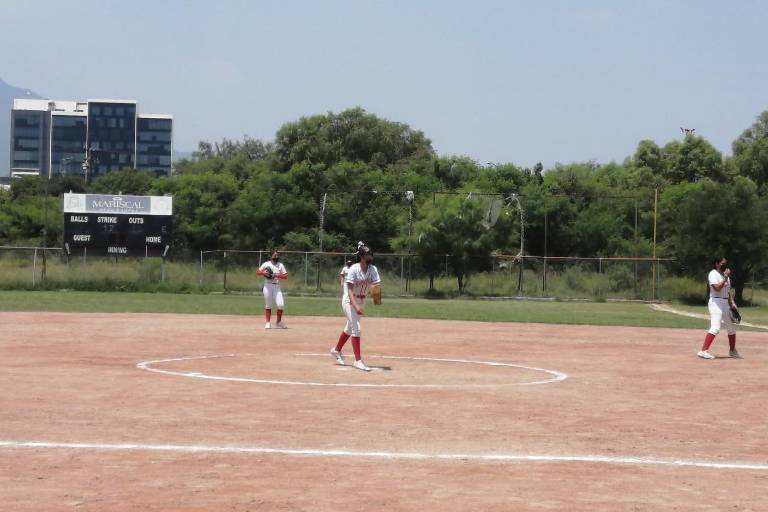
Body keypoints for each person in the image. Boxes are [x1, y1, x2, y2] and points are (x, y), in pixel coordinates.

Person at [330, 242, 381, 371]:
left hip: (362, 300)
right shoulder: (353, 269)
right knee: (356, 328)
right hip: (349, 300)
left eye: (371, 255)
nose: (371, 257)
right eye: (368, 255)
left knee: (349, 328)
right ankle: (358, 361)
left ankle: (336, 350)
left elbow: (376, 285)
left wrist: (376, 299)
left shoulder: (373, 269)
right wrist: (356, 306)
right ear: (362, 257)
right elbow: (350, 291)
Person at [698, 257, 739, 359]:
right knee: (716, 328)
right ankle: (703, 351)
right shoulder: (713, 274)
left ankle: (732, 351)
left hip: (725, 302)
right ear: (717, 264)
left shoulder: (727, 277)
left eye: (725, 263)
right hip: (716, 302)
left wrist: (732, 303)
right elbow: (716, 288)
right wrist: (725, 277)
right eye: (722, 263)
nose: (724, 265)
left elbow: (727, 292)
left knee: (731, 328)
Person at [256, 251, 288, 329]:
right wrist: (263, 273)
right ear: (271, 256)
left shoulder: (280, 265)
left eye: (277, 255)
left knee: (280, 305)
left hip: (277, 286)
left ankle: (279, 322)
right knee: (268, 305)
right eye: (274, 254)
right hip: (267, 286)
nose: (276, 256)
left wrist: (276, 275)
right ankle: (268, 322)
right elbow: (257, 272)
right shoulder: (266, 264)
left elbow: (285, 276)